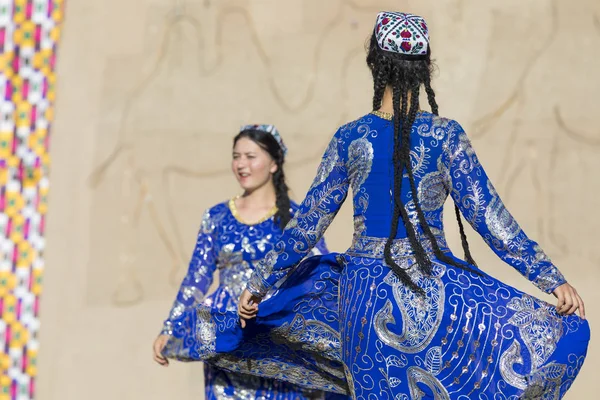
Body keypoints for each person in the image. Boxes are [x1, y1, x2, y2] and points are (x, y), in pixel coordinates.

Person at [162, 12, 590, 399]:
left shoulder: (350, 137)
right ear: (424, 70)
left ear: (374, 64)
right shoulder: (446, 136)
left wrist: (257, 284)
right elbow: (491, 218)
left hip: (364, 295)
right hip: (435, 290)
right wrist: (551, 280)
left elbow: (307, 224)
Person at [152, 124, 333, 399]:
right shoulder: (216, 217)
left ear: (273, 163)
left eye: (250, 156)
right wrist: (170, 327)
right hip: (226, 337)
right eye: (236, 156)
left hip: (276, 336)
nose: (241, 164)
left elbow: (318, 275)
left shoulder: (296, 218)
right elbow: (196, 278)